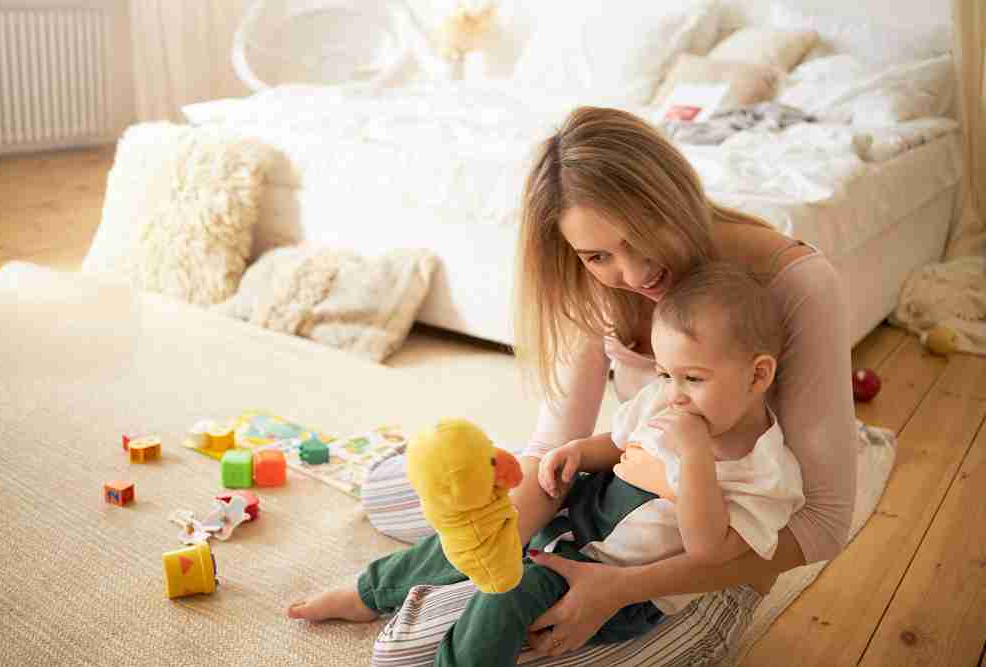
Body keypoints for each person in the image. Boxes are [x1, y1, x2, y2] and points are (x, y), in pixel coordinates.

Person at [356, 105, 858, 666]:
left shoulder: (794, 284)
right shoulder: (595, 276)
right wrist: (499, 549)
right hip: (607, 504)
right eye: (598, 256)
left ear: (676, 199)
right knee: (389, 494)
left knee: (403, 654)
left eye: (643, 238)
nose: (637, 275)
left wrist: (617, 588)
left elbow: (823, 525)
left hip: (702, 559)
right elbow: (554, 449)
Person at [286, 264, 804, 667]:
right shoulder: (660, 400)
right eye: (666, 374)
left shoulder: (766, 472)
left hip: (616, 577)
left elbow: (709, 550)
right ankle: (366, 591)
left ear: (758, 375)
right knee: (480, 534)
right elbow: (616, 443)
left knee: (509, 593)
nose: (674, 395)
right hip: (572, 519)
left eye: (692, 379)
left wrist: (694, 458)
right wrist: (579, 452)